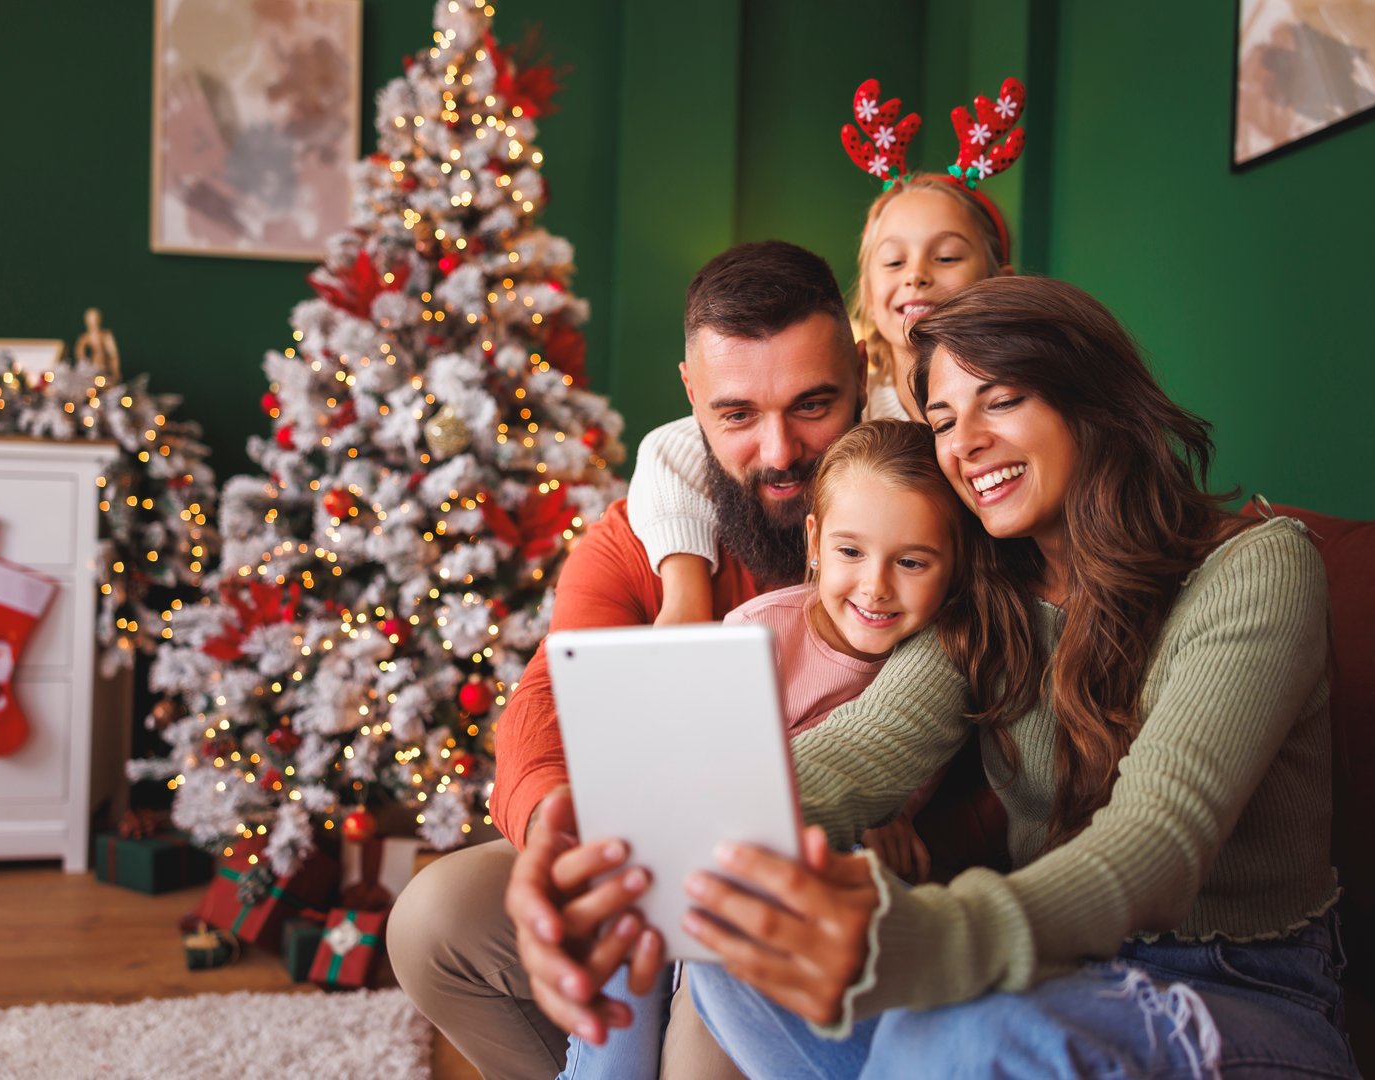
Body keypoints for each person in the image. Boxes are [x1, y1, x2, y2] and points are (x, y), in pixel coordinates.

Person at [671, 275, 1358, 1078]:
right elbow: (859, 750)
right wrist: (657, 830)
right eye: (942, 420)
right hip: (1054, 973)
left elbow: (1160, 842)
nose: (963, 443)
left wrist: (926, 939)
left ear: (1089, 398)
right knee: (731, 951)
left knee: (956, 1037)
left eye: (998, 401)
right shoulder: (986, 589)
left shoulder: (1257, 568)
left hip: (1235, 984)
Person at [388, 239, 868, 1080]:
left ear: (860, 373)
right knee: (433, 917)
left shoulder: (915, 533)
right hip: (648, 864)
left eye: (813, 405)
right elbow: (543, 704)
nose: (780, 451)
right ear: (691, 395)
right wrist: (552, 827)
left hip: (827, 890)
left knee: (699, 1043)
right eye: (736, 416)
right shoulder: (640, 536)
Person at [560, 418, 977, 1079]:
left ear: (954, 568)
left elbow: (884, 776)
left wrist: (884, 822)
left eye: (911, 562)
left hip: (803, 889)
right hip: (704, 853)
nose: (874, 587)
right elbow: (694, 771)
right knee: (625, 928)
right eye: (850, 553)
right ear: (813, 541)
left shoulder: (935, 666)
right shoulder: (756, 635)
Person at [635, 172, 1015, 627]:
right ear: (869, 297)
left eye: (948, 256)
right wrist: (684, 589)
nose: (917, 275)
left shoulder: (1018, 404)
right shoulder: (867, 409)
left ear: (1000, 281)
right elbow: (670, 449)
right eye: (893, 263)